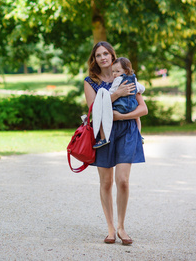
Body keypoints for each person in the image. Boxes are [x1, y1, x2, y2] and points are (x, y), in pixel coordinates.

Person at [84, 41, 148, 245]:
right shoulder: (90, 81)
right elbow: (94, 109)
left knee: (123, 180)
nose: (102, 58)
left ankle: (122, 227)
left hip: (127, 132)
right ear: (94, 59)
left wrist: (121, 117)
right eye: (98, 55)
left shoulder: (125, 75)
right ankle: (110, 229)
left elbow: (143, 109)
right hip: (104, 133)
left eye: (106, 54)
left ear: (112, 56)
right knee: (106, 182)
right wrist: (117, 95)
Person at [93, 56, 144, 149]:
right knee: (137, 117)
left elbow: (112, 91)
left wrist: (106, 95)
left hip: (121, 107)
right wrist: (137, 91)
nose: (115, 74)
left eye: (117, 71)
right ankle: (139, 135)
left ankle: (104, 138)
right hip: (132, 106)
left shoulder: (118, 80)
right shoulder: (134, 79)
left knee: (103, 113)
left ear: (126, 71)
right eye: (113, 71)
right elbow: (142, 88)